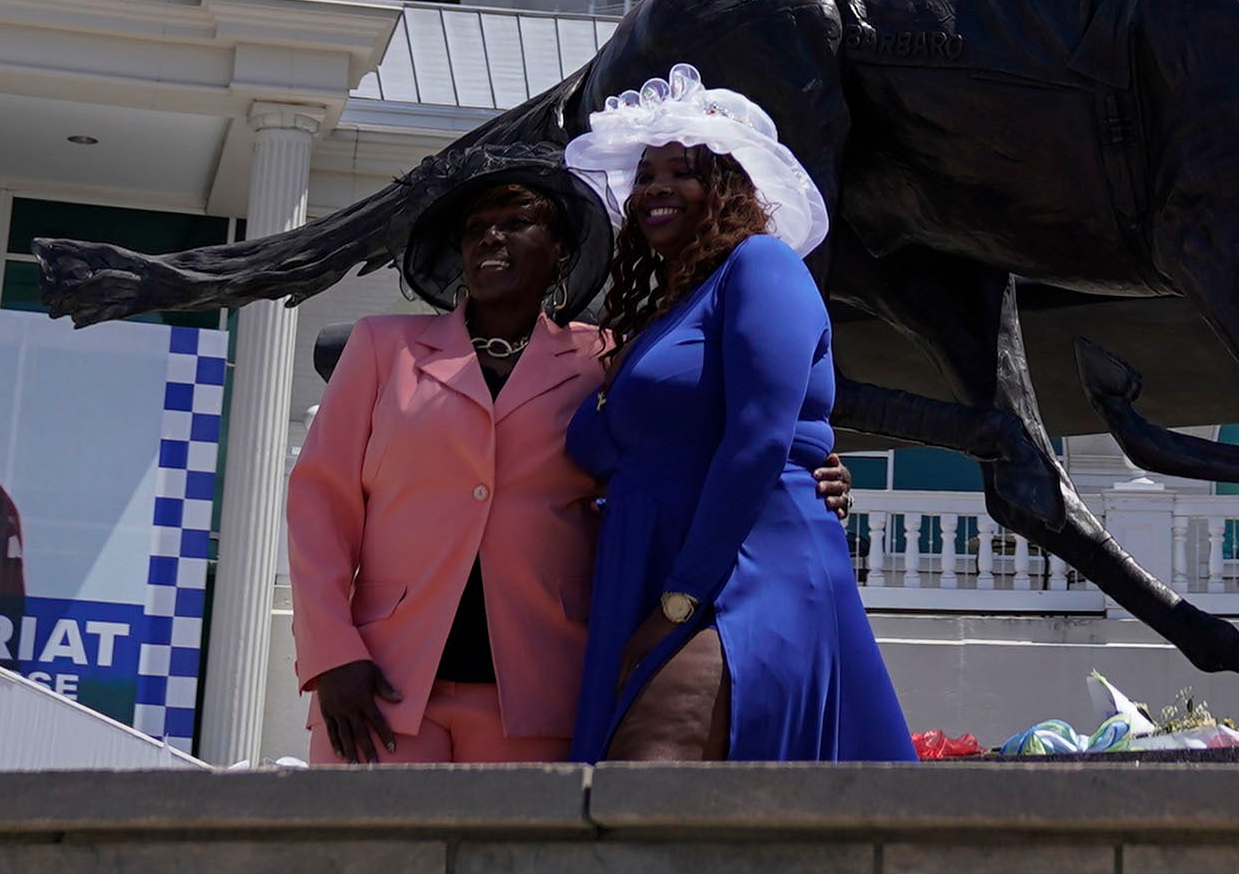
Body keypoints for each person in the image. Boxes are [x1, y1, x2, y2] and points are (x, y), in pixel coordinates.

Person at [558, 70, 912, 764]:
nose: (654, 186)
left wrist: (679, 602)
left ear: (727, 185)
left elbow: (759, 438)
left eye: (680, 170)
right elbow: (603, 452)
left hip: (746, 565)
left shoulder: (762, 266)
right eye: (645, 172)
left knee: (648, 771)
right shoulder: (652, 324)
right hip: (649, 567)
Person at [293, 159, 619, 765]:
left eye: (517, 222)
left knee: (513, 864)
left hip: (541, 689)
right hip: (378, 688)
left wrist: (812, 462)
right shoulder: (380, 348)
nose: (490, 237)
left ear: (560, 251)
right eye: (476, 228)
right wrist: (330, 653)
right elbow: (319, 505)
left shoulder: (604, 361)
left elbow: (669, 458)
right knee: (360, 860)